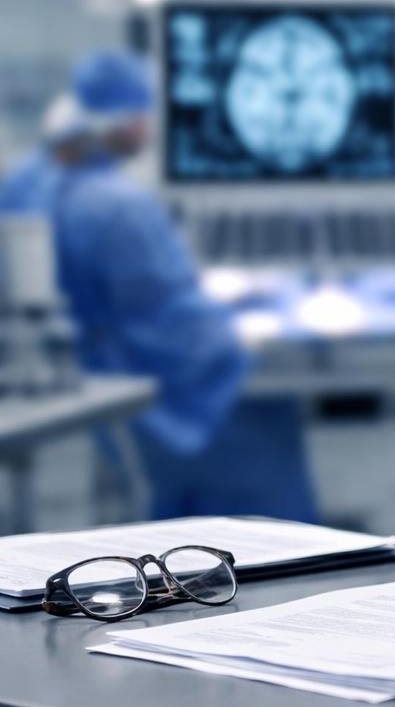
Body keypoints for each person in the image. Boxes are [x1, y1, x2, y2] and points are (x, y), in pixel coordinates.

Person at [0, 50, 318, 522]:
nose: (150, 130)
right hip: (158, 405)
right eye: (146, 115)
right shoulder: (121, 207)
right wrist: (246, 327)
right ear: (126, 122)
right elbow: (179, 330)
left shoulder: (31, 181)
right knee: (275, 412)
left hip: (92, 378)